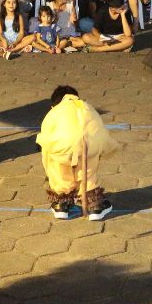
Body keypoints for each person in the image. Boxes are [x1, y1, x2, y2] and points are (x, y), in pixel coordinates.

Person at [35, 84, 117, 220]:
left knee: (55, 161)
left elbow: (45, 138)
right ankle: (95, 206)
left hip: (64, 147)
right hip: (90, 145)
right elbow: (101, 132)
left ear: (53, 105)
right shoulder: (87, 108)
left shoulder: (54, 112)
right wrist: (107, 150)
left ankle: (61, 203)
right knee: (89, 165)